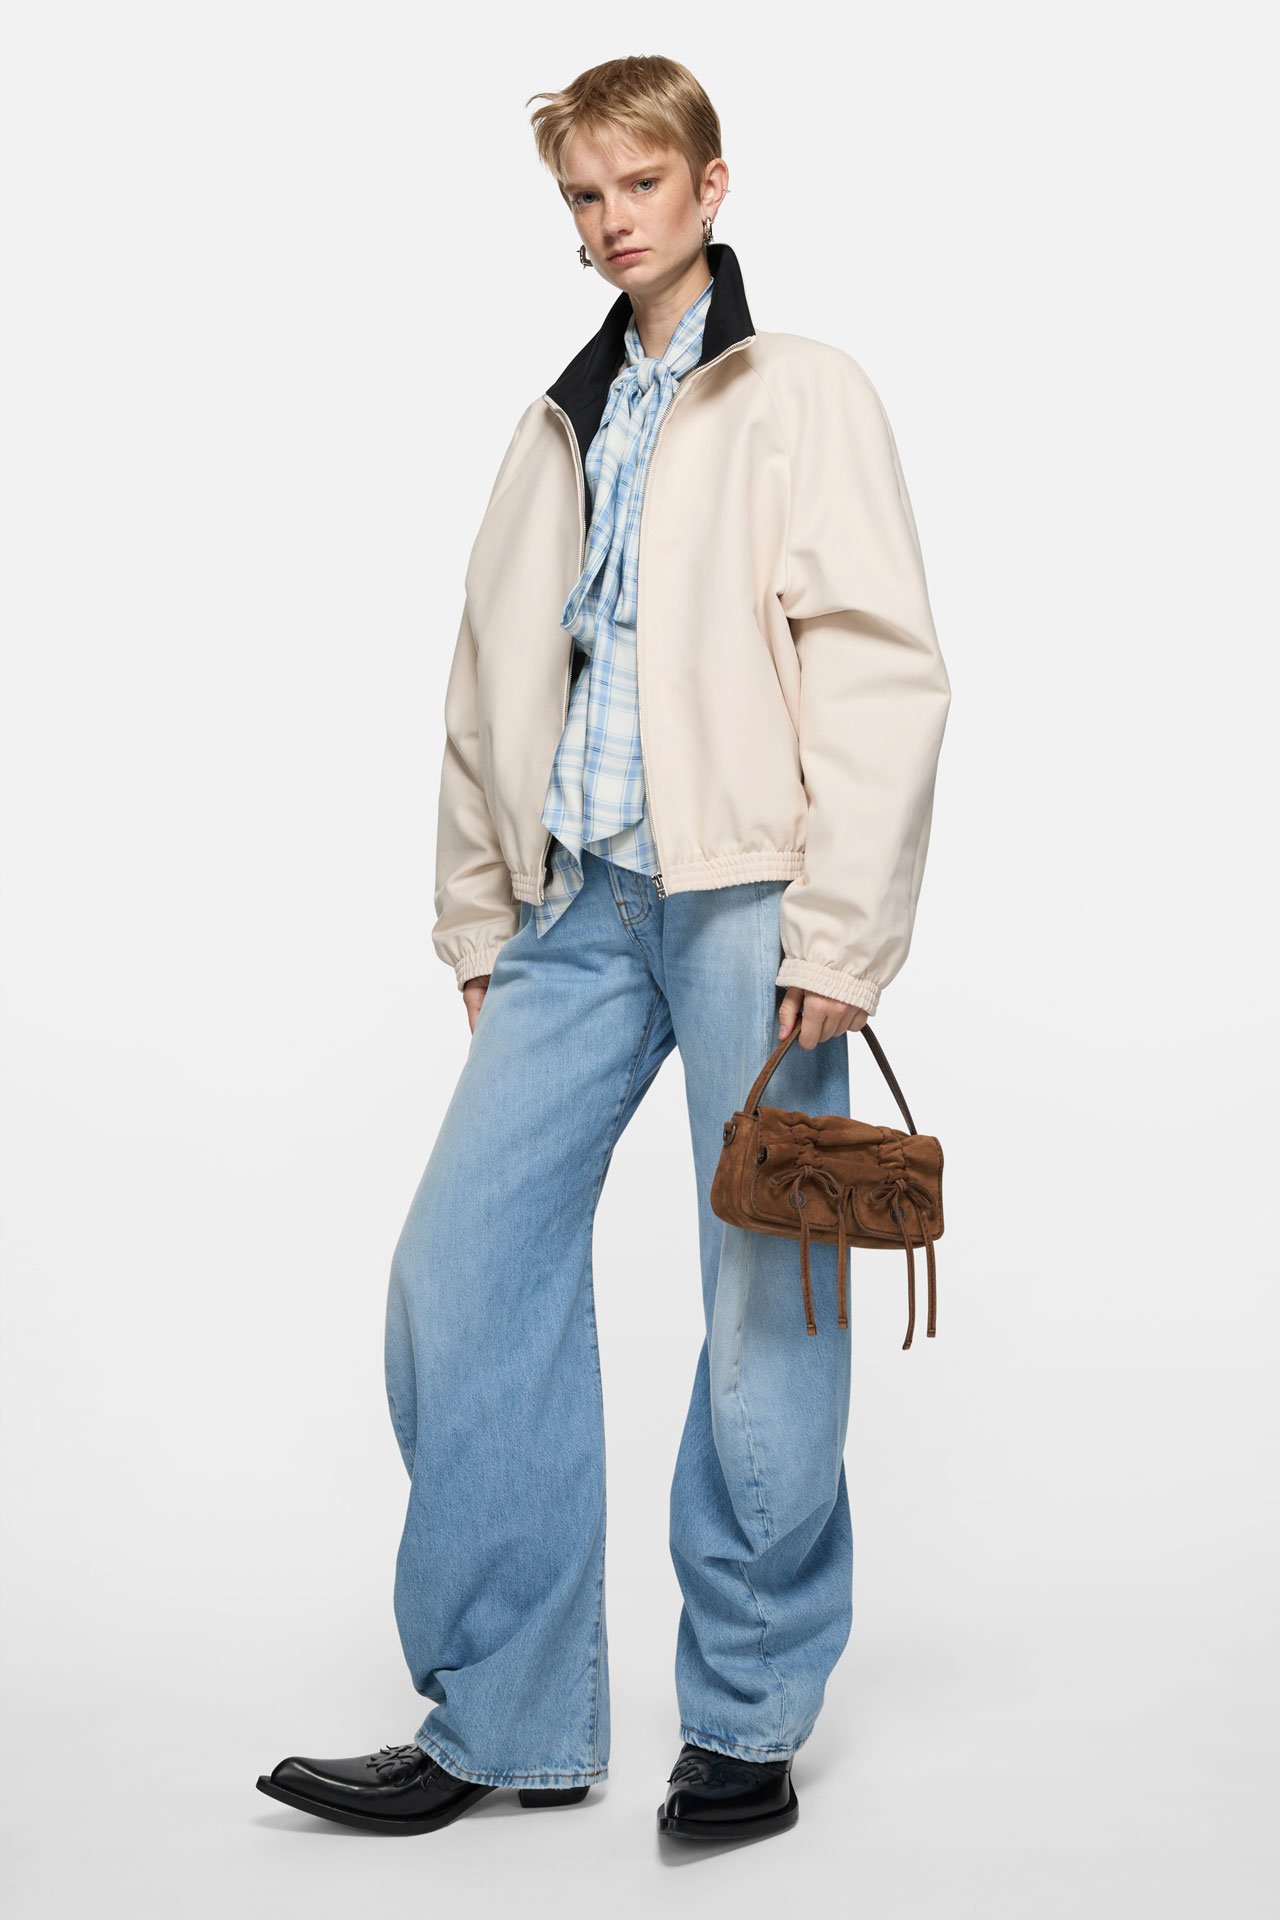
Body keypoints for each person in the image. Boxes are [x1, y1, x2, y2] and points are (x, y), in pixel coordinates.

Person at [257, 53, 951, 1844]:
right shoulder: (554, 425)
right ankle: (505, 1718)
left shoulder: (800, 392)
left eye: (639, 184)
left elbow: (881, 665)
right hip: (576, 906)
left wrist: (845, 930)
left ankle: (749, 1713)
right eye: (583, 193)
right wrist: (479, 916)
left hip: (750, 900)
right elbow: (483, 684)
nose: (610, 218)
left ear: (711, 187)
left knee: (770, 1294)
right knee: (460, 1271)